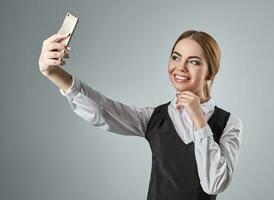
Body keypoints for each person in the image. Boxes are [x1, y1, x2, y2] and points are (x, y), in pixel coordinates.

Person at [38, 30, 243, 200]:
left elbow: (214, 184)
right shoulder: (153, 118)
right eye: (176, 57)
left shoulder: (228, 123)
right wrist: (52, 72)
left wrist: (199, 121)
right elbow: (103, 110)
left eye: (194, 61)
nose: (180, 67)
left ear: (210, 72)